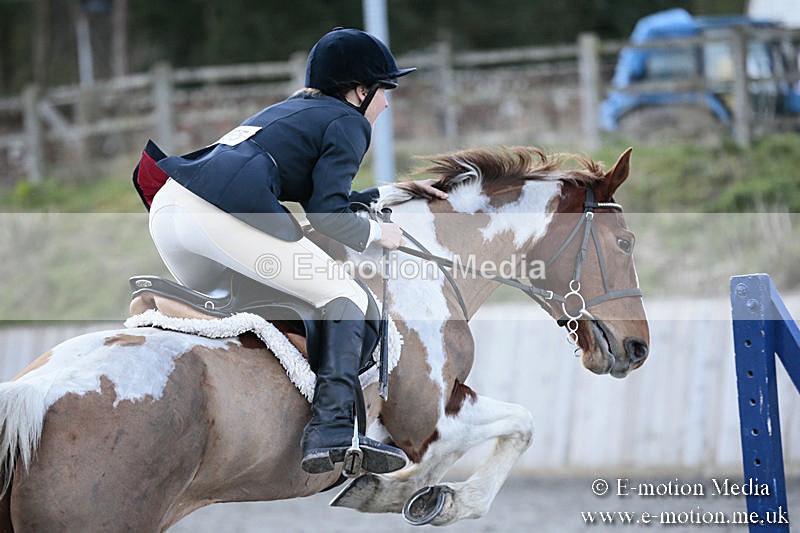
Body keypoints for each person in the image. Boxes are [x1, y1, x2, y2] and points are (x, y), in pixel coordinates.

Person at [146, 28, 446, 475]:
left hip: (170, 211)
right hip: (213, 215)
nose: (386, 104)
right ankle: (331, 430)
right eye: (385, 92)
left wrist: (381, 194)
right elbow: (328, 218)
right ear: (359, 92)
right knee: (346, 297)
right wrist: (378, 235)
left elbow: (322, 195)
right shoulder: (349, 122)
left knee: (272, 298)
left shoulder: (296, 110)